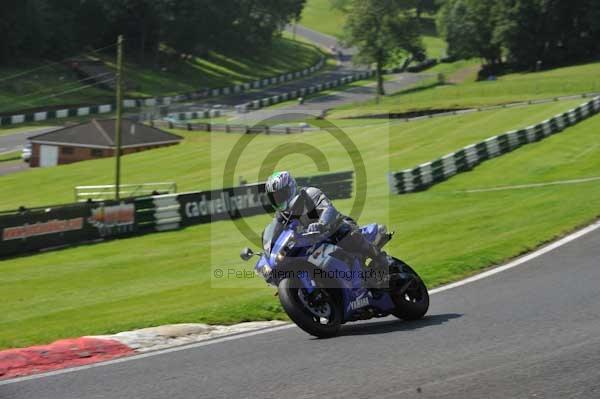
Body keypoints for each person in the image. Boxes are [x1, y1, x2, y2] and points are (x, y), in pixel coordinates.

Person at [265, 171, 390, 286]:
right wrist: (269, 251)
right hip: (312, 244)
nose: (278, 200)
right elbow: (275, 234)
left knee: (348, 235)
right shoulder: (281, 216)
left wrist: (322, 223)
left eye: (280, 195)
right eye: (274, 197)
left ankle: (380, 258)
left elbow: (328, 209)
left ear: (290, 189)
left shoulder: (309, 195)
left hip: (333, 229)